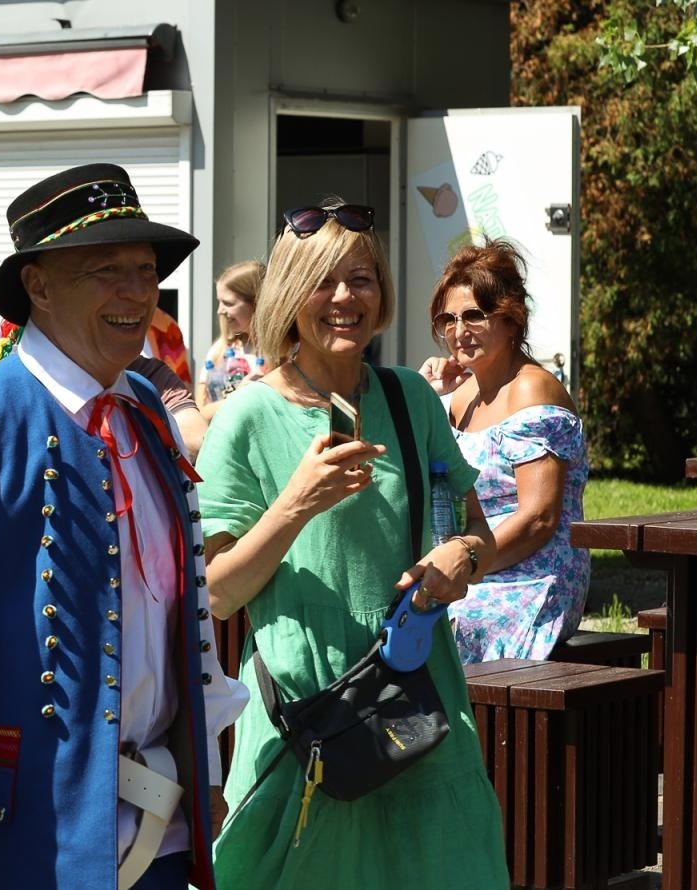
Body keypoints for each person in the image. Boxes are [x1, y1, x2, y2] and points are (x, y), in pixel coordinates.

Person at [0, 163, 246, 890]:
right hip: (30, 826)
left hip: (160, 823)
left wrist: (205, 767)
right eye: (107, 270)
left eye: (145, 270)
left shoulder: (146, 415)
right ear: (38, 286)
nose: (136, 293)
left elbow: (180, 612)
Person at [195, 199, 508, 889]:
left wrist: (460, 557)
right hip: (307, 715)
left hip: (418, 699)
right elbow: (216, 594)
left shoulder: (409, 399)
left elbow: (479, 536)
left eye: (361, 278)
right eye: (323, 280)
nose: (344, 297)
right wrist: (295, 504)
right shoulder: (247, 416)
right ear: (287, 293)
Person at [419, 239, 590, 662]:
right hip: (473, 566)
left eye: (474, 316)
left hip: (533, 576)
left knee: (443, 627)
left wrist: (465, 565)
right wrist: (426, 396)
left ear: (511, 320)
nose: (459, 331)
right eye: (449, 319)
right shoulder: (461, 396)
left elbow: (539, 520)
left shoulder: (532, 390)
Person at [197, 259, 264, 417]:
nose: (220, 311)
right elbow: (200, 412)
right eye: (219, 302)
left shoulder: (286, 354)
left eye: (228, 303)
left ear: (257, 303)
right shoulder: (220, 351)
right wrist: (239, 397)